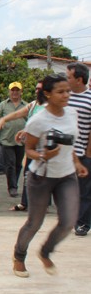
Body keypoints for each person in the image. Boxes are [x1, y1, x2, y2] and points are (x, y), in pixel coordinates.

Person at [12, 73, 88, 278]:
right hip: (41, 177)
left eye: (68, 91)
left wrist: (77, 163)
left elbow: (69, 144)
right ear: (47, 94)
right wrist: (44, 155)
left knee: (68, 221)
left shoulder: (71, 113)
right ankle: (19, 256)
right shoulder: (38, 120)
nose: (66, 95)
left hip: (67, 175)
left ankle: (45, 251)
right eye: (60, 92)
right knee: (34, 222)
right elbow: (29, 151)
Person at [65, 62, 91, 236]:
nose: (66, 81)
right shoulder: (64, 97)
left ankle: (82, 223)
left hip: (83, 152)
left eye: (69, 77)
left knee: (84, 190)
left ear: (79, 79)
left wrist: (89, 153)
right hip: (63, 152)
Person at [0, 82, 28, 198]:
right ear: (9, 91)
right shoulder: (3, 105)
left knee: (18, 164)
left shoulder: (26, 105)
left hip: (21, 141)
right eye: (13, 90)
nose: (15, 92)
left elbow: (30, 121)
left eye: (17, 90)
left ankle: (14, 183)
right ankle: (12, 187)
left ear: (21, 92)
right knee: (10, 163)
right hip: (6, 139)